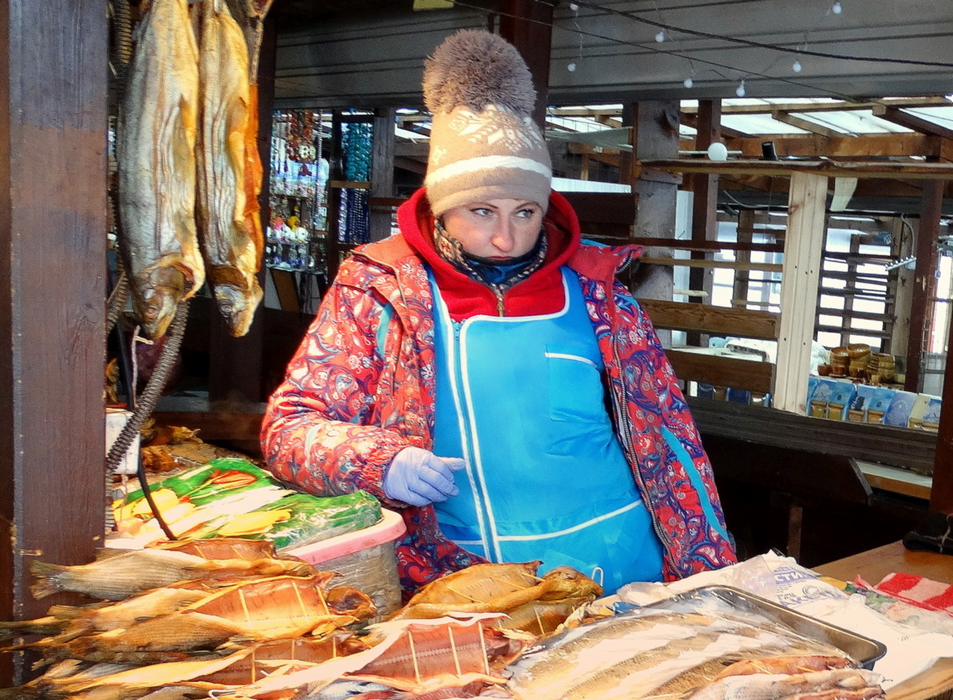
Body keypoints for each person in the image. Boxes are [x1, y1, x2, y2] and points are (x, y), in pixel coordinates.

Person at [261, 29, 736, 595]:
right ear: (441, 205)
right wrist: (377, 462)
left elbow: (674, 443)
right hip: (467, 582)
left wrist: (711, 575)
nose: (507, 237)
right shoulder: (379, 290)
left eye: (526, 211)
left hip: (619, 562)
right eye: (481, 210)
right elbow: (289, 429)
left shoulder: (599, 296)